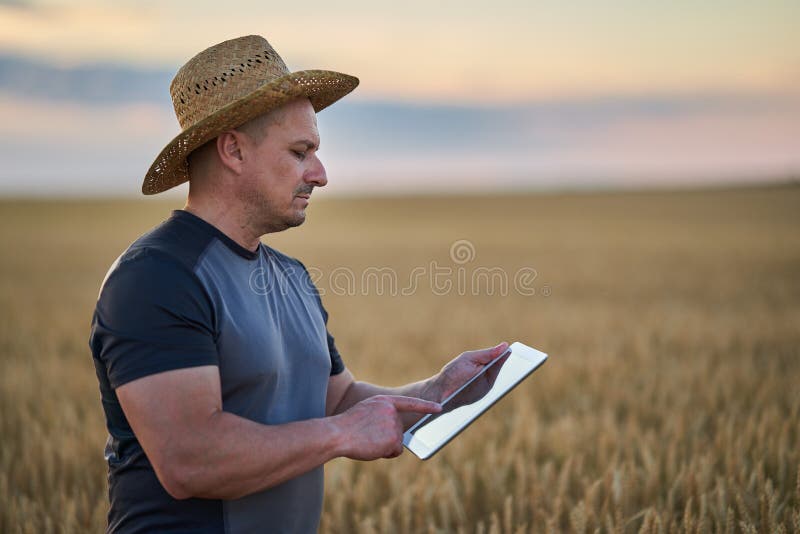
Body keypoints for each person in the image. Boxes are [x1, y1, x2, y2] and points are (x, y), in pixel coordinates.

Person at [89, 34, 509, 534]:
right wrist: (336, 436)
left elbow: (336, 400)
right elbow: (190, 460)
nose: (321, 174)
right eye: (300, 151)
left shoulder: (291, 277)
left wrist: (438, 392)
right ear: (233, 150)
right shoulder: (156, 277)